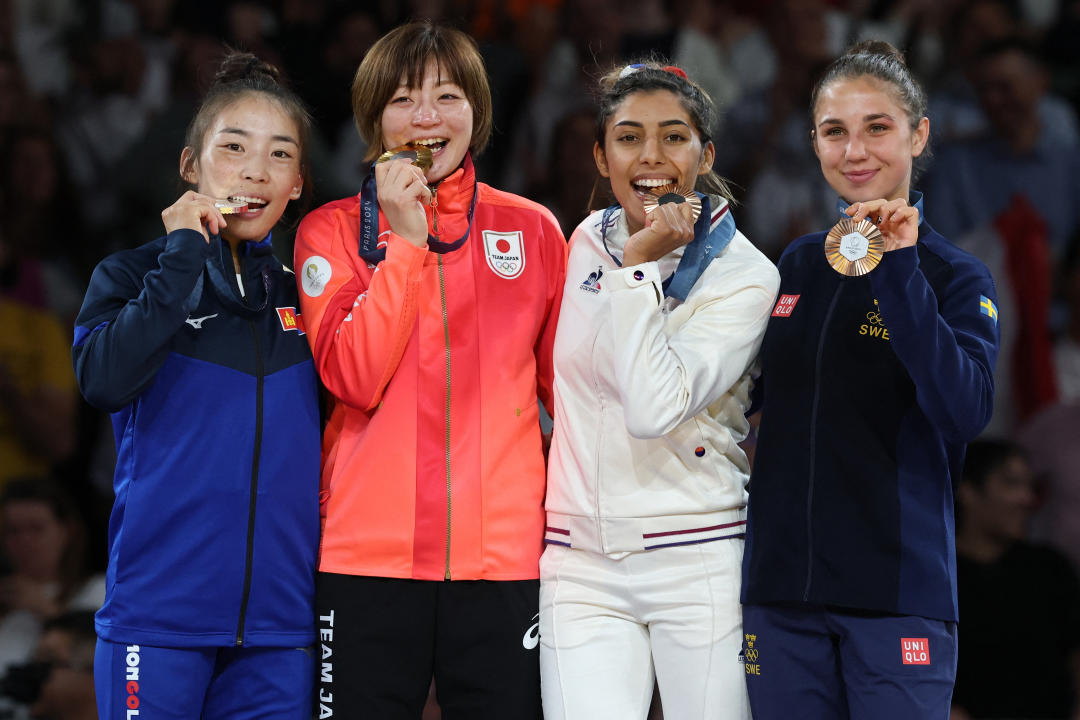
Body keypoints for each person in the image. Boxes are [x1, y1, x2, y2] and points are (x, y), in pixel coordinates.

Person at [292, 21, 567, 719]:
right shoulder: (328, 231)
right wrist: (406, 244)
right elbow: (352, 376)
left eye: (447, 96)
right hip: (365, 559)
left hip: (503, 561)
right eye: (403, 99)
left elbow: (569, 401)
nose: (426, 118)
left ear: (476, 110)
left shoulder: (533, 230)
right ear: (373, 117)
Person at [740, 40, 1000, 720]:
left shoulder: (954, 277)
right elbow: (744, 408)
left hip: (895, 597)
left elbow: (966, 410)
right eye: (835, 131)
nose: (854, 150)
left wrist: (900, 270)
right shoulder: (793, 265)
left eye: (877, 127)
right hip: (780, 595)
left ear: (918, 134)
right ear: (816, 144)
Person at [70, 52, 320, 719]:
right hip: (156, 621)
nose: (253, 170)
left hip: (282, 631)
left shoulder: (311, 297)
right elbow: (103, 381)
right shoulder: (128, 277)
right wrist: (181, 257)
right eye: (233, 147)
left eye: (278, 155)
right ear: (191, 165)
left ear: (297, 184)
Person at [539, 61, 780, 720]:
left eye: (674, 137)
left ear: (705, 154)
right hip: (578, 561)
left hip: (695, 557)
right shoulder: (585, 239)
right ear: (600, 154)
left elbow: (653, 407)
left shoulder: (745, 275)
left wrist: (640, 269)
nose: (651, 156)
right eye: (628, 137)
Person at [951, 439, 1080, 720]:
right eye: (1011, 484)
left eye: (1029, 486)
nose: (1027, 499)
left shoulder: (1049, 567)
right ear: (968, 491)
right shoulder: (940, 577)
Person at [0, 478, 104, 677]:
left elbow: (106, 657)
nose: (23, 541)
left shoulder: (97, 590)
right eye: (13, 531)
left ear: (66, 531)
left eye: (36, 529)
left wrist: (48, 611)